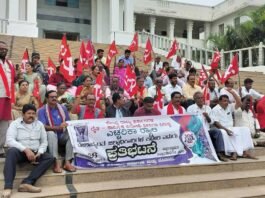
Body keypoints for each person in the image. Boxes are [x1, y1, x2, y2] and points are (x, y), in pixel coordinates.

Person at [2, 104, 54, 197]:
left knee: (50, 158)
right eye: (29, 113)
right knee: (11, 152)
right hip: (20, 152)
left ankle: (27, 183)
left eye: (33, 113)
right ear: (23, 114)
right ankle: (8, 187)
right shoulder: (15, 124)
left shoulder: (39, 124)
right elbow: (9, 140)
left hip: (35, 153)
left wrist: (40, 152)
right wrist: (25, 149)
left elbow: (44, 142)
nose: (31, 115)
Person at [38, 90, 76, 173]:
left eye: (55, 97)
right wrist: (58, 128)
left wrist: (66, 125)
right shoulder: (42, 110)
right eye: (52, 97)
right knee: (51, 134)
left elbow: (68, 122)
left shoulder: (63, 108)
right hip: (49, 137)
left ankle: (67, 162)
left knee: (71, 134)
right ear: (47, 99)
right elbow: (43, 126)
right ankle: (56, 163)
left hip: (62, 135)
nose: (54, 98)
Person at [211, 93, 255, 160]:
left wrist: (233, 93)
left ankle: (245, 151)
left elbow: (240, 104)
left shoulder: (229, 106)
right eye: (224, 101)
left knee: (245, 129)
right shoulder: (215, 109)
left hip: (231, 127)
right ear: (219, 102)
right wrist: (226, 130)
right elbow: (216, 123)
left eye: (227, 101)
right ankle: (233, 153)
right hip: (221, 128)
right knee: (226, 133)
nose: (226, 103)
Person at [187, 92, 227, 161]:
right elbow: (189, 122)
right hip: (196, 131)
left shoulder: (207, 108)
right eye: (198, 98)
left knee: (217, 131)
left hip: (207, 130)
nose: (201, 99)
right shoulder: (190, 108)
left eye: (202, 98)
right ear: (195, 99)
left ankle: (220, 153)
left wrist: (207, 116)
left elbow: (212, 122)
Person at [0, 41, 15, 157]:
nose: (3, 50)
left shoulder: (10, 63)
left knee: (4, 123)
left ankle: (0, 149)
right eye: (1, 48)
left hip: (6, 97)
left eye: (5, 49)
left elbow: (12, 81)